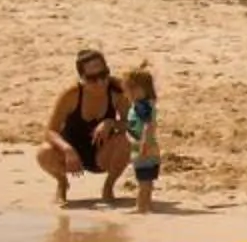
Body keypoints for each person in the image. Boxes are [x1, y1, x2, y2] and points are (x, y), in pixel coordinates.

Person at [37, 48, 130, 207]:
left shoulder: (117, 92)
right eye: (92, 78)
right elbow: (50, 131)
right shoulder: (72, 94)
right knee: (44, 152)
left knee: (124, 142)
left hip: (101, 154)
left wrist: (111, 123)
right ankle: (62, 183)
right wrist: (67, 149)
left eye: (103, 74)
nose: (100, 82)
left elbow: (133, 125)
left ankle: (108, 187)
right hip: (70, 156)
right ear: (82, 78)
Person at [120, 64, 162, 214]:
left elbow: (148, 125)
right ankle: (148, 205)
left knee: (143, 181)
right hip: (150, 147)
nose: (128, 93)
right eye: (126, 89)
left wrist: (144, 143)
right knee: (147, 180)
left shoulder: (141, 106)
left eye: (131, 89)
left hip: (144, 147)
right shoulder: (147, 104)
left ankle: (140, 206)